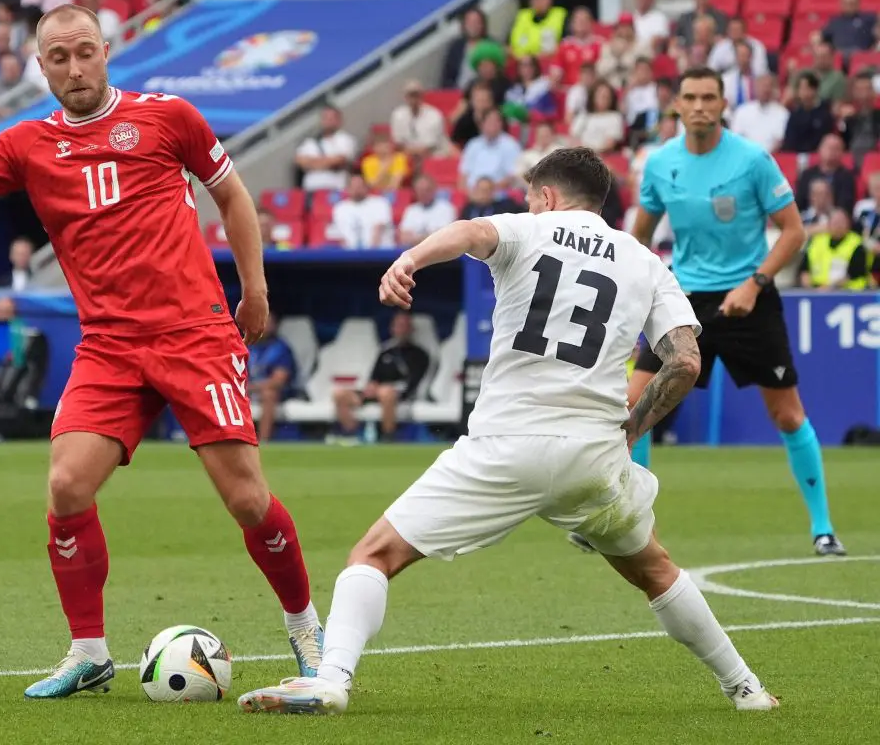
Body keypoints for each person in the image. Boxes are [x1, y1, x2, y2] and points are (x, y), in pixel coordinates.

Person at [0, 3, 323, 699]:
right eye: (58, 57)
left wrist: (252, 290)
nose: (74, 67)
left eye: (85, 52)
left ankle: (306, 627)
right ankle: (88, 651)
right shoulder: (24, 145)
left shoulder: (170, 118)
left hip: (193, 333)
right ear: (40, 66)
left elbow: (232, 197)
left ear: (107, 52)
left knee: (247, 498)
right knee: (67, 484)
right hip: (109, 345)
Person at [237, 148, 778, 715]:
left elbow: (470, 232)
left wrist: (409, 261)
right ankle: (746, 689)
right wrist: (630, 431)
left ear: (547, 197)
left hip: (505, 446)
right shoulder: (644, 262)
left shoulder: (529, 229)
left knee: (372, 555)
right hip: (592, 456)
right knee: (654, 569)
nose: (526, 204)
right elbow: (685, 362)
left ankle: (331, 679)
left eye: (528, 197)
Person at [624, 66, 845, 556]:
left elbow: (793, 231)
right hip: (685, 302)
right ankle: (628, 522)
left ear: (724, 104)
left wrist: (756, 282)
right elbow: (638, 237)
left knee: (787, 416)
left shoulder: (752, 160)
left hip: (750, 297)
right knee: (635, 408)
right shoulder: (660, 165)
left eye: (709, 97)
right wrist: (649, 285)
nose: (700, 105)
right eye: (690, 97)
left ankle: (823, 528)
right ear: (676, 106)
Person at [331, 311, 429, 443]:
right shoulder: (385, 351)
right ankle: (351, 434)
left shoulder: (419, 354)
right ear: (392, 328)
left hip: (398, 395)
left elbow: (413, 383)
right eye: (398, 326)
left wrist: (386, 389)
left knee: (386, 392)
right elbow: (374, 376)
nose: (401, 330)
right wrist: (371, 386)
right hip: (376, 393)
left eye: (404, 326)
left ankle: (388, 437)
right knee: (339, 394)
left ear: (411, 329)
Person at [248, 313, 296, 442]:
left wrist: (251, 388)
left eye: (268, 323)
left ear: (275, 326)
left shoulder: (281, 348)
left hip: (279, 392)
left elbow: (278, 381)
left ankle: (263, 441)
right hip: (249, 390)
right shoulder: (247, 346)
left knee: (269, 394)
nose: (264, 326)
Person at [798, 209, 873, 291]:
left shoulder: (856, 243)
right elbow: (804, 270)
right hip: (816, 291)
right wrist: (810, 289)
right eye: (835, 222)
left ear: (848, 224)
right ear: (829, 224)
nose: (838, 225)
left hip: (849, 293)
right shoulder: (817, 241)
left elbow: (854, 274)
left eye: (841, 222)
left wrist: (828, 288)